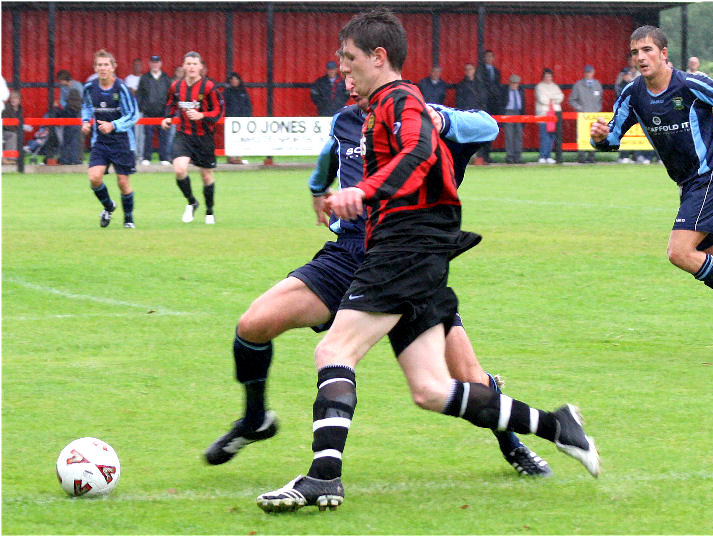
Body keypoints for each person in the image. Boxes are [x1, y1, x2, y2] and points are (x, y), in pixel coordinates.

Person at [256, 9, 600, 513]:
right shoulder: (375, 110)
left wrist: (365, 191)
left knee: (334, 349)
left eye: (349, 60)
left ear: (378, 58)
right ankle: (557, 426)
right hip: (412, 249)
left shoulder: (401, 100)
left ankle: (323, 477)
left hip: (406, 247)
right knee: (433, 389)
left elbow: (418, 153)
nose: (343, 70)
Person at [204, 73, 553, 481]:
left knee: (466, 380)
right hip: (348, 255)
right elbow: (330, 155)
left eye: (356, 74)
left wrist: (440, 120)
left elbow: (488, 125)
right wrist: (318, 188)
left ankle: (512, 442)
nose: (350, 85)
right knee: (253, 324)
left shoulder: (420, 117)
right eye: (344, 76)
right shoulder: (347, 121)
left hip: (404, 260)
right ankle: (255, 419)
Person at [590, 25, 713, 359]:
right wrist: (598, 137)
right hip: (692, 186)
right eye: (635, 52)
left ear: (664, 53)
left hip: (712, 178)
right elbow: (610, 140)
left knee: (679, 252)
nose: (640, 58)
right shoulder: (632, 94)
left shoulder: (690, 85)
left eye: (648, 50)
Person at [161, 51, 224, 225]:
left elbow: (218, 111)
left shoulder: (209, 87)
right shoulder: (176, 86)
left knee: (206, 176)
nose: (191, 67)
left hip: (204, 137)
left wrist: (201, 115)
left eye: (194, 64)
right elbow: (170, 104)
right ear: (183, 66)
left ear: (201, 67)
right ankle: (191, 202)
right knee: (180, 169)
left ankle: (209, 212)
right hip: (184, 135)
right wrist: (167, 117)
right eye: (188, 63)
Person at [80, 49, 139, 229]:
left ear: (114, 67)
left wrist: (113, 125)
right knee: (94, 178)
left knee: (123, 182)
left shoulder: (121, 88)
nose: (103, 68)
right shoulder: (89, 88)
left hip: (122, 141)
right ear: (95, 67)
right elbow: (87, 108)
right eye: (99, 65)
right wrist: (85, 122)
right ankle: (108, 206)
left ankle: (128, 219)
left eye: (106, 64)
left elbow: (133, 115)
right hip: (101, 141)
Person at [137, 55, 173, 166]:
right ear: (150, 64)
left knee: (164, 136)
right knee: (147, 135)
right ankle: (147, 157)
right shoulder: (144, 78)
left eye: (157, 62)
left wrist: (169, 111)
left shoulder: (166, 78)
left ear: (160, 64)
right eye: (153, 62)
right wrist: (141, 107)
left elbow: (170, 96)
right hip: (148, 113)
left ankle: (164, 158)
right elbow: (140, 95)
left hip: (163, 112)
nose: (155, 64)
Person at [569, 64, 603, 163]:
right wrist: (580, 108)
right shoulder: (578, 85)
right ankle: (582, 157)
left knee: (595, 136)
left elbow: (600, 100)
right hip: (583, 116)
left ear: (593, 73)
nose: (589, 74)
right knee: (582, 136)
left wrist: (597, 109)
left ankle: (591, 157)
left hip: (594, 115)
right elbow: (572, 100)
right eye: (587, 72)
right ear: (584, 74)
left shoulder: (597, 84)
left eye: (590, 72)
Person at [476, 50, 502, 163]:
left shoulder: (496, 71)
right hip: (483, 104)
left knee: (491, 129)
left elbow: (496, 88)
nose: (489, 59)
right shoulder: (480, 71)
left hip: (493, 104)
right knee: (482, 130)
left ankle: (487, 154)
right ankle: (481, 155)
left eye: (491, 56)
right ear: (484, 58)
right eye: (487, 57)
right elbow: (482, 87)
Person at [534, 68, 563, 164]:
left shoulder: (555, 86)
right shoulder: (539, 87)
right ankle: (542, 156)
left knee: (552, 136)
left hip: (554, 115)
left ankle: (549, 156)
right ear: (543, 77)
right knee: (544, 136)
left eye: (550, 76)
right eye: (546, 76)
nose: (548, 78)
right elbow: (542, 99)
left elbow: (561, 97)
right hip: (543, 115)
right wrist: (553, 99)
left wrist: (550, 98)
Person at [223, 72, 252, 165]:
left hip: (242, 119)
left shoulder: (243, 91)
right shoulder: (227, 92)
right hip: (230, 119)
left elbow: (248, 105)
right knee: (230, 138)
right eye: (232, 79)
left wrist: (248, 116)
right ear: (230, 81)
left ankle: (238, 158)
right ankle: (230, 158)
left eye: (236, 79)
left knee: (240, 138)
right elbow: (224, 105)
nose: (234, 81)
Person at [124, 58, 145, 163]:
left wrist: (136, 91)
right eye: (135, 65)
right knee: (131, 133)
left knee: (141, 134)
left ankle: (141, 155)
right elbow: (129, 93)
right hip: (130, 110)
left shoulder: (144, 78)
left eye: (139, 65)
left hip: (141, 109)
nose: (137, 67)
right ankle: (133, 154)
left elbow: (141, 93)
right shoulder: (129, 78)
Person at [501, 74, 525, 164]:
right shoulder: (505, 91)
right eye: (513, 83)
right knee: (509, 135)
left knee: (518, 135)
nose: (515, 85)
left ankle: (518, 157)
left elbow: (523, 104)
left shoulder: (521, 91)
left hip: (518, 113)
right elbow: (502, 103)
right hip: (508, 112)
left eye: (516, 83)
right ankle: (510, 157)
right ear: (510, 83)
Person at [58, 89, 84, 164]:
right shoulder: (81, 104)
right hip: (79, 126)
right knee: (77, 143)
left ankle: (65, 160)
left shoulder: (68, 105)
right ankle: (76, 159)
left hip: (68, 126)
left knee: (67, 143)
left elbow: (63, 114)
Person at [2, 90, 24, 165]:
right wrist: (17, 128)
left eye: (15, 98)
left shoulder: (20, 109)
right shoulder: (6, 108)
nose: (13, 100)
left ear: (19, 100)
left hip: (15, 130)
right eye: (12, 98)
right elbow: (6, 124)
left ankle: (18, 157)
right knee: (13, 135)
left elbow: (20, 121)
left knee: (20, 135)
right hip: (4, 131)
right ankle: (10, 158)